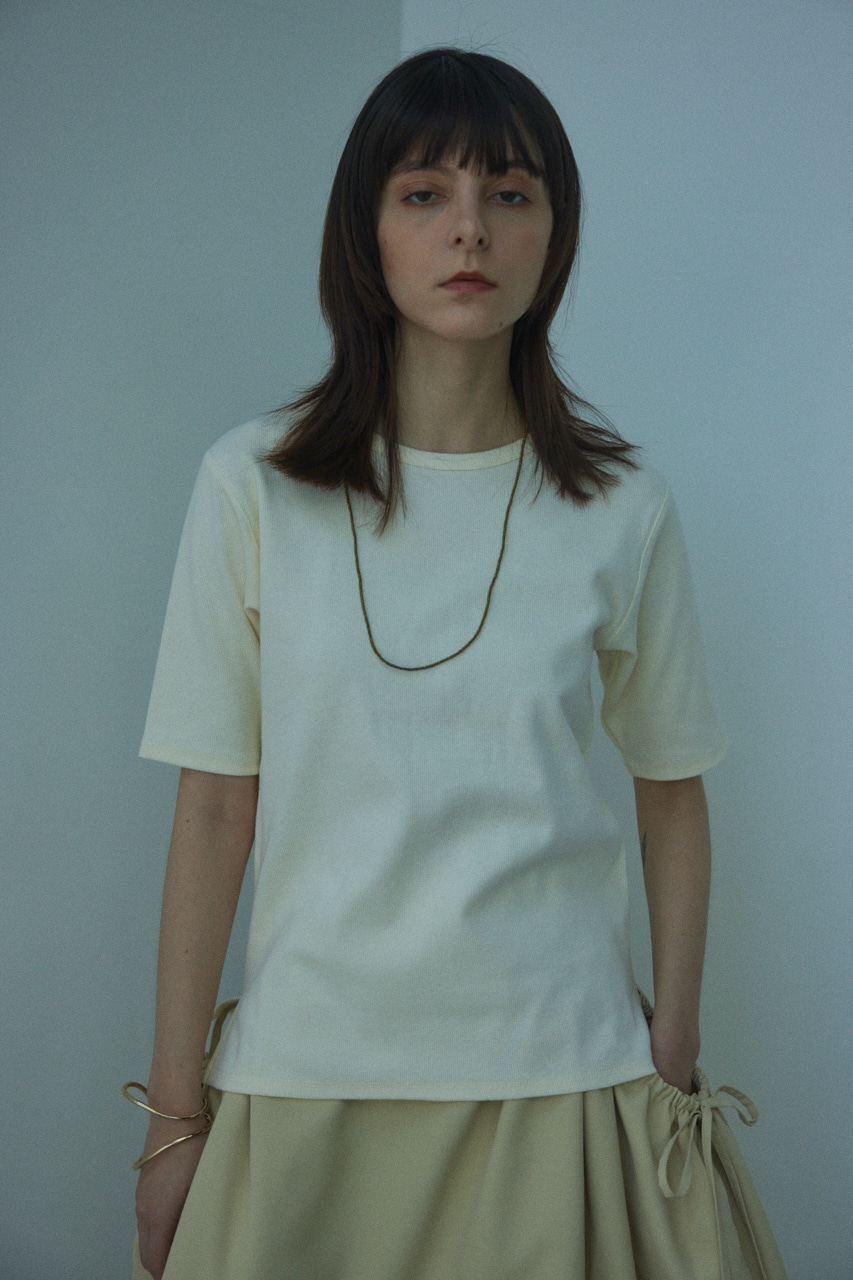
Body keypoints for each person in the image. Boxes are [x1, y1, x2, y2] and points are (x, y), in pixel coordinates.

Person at [125, 46, 788, 1280]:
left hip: (563, 1078)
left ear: (554, 234)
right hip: (307, 1079)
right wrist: (174, 1117)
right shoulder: (250, 485)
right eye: (424, 192)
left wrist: (673, 1049)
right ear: (364, 231)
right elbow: (214, 804)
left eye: (510, 193)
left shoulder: (621, 506)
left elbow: (671, 787)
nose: (469, 228)